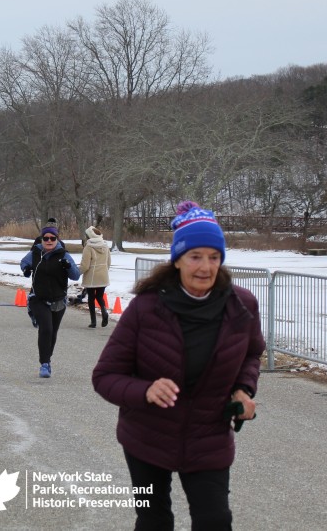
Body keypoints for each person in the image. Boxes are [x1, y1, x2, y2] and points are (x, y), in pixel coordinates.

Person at [92, 201, 264, 530]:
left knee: (215, 520)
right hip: (146, 437)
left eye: (214, 257)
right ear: (177, 259)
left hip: (208, 436)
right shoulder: (146, 308)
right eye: (195, 256)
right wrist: (146, 390)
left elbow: (251, 354)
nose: (206, 267)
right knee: (154, 520)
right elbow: (105, 376)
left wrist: (243, 390)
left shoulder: (242, 306)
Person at [19, 224, 80, 378]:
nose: (49, 241)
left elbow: (76, 275)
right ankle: (44, 364)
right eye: (46, 238)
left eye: (52, 238)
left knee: (52, 332)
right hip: (38, 298)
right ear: (42, 239)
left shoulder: (64, 255)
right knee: (46, 328)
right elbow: (23, 263)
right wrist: (26, 270)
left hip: (58, 300)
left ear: (57, 239)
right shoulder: (35, 253)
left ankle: (47, 359)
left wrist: (68, 267)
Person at [79, 226, 112, 328]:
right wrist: (104, 270)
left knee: (91, 297)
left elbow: (85, 265)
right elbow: (108, 262)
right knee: (99, 296)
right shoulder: (105, 245)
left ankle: (93, 322)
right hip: (103, 275)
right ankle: (104, 311)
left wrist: (77, 272)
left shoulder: (88, 247)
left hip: (91, 277)